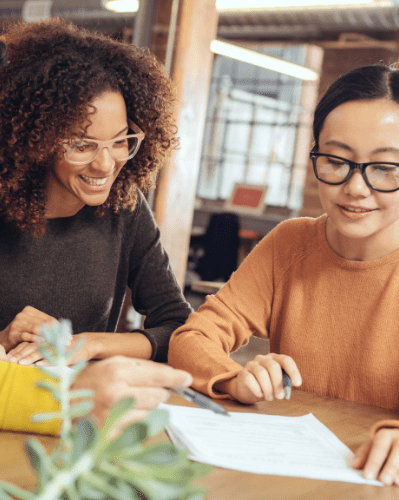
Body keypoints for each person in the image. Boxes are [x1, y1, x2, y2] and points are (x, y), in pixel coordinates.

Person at [0, 0, 192, 435]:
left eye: (120, 142)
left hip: (71, 430)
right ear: (35, 140)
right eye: (81, 144)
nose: (106, 164)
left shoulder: (126, 213)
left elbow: (180, 327)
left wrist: (84, 345)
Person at [168, 64, 399, 485]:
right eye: (336, 160)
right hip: (289, 474)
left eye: (386, 168)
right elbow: (193, 338)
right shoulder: (291, 243)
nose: (356, 187)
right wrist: (234, 378)